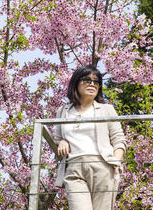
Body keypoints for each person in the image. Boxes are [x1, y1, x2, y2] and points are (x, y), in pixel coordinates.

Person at [53, 65, 126, 210]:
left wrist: (116, 163)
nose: (92, 84)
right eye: (87, 80)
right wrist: (62, 141)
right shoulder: (63, 111)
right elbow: (57, 139)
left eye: (96, 81)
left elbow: (119, 140)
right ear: (76, 83)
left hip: (103, 166)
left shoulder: (107, 110)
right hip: (74, 168)